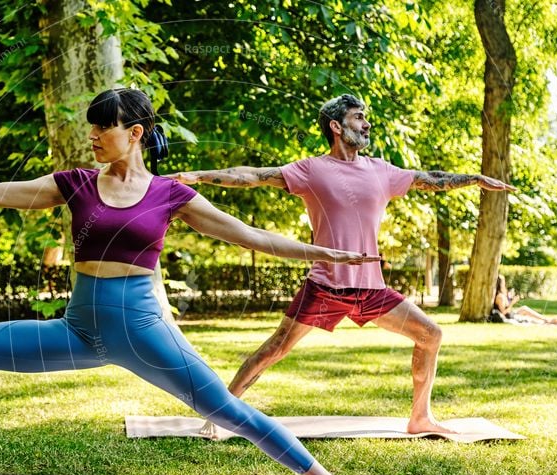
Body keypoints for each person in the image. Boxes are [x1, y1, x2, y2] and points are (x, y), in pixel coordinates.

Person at [0, 88, 382, 475]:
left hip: (145, 334)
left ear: (135, 133)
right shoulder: (75, 184)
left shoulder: (169, 194)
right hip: (78, 332)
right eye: (93, 127)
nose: (95, 136)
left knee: (229, 411)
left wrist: (318, 250)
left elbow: (251, 237)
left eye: (105, 127)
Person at [168, 93, 516, 438]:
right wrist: (199, 176)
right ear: (336, 126)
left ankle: (420, 418)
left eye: (366, 118)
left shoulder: (381, 170)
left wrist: (475, 179)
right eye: (358, 117)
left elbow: (430, 179)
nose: (367, 124)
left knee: (431, 335)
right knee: (274, 349)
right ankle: (220, 413)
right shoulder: (311, 170)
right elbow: (253, 176)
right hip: (325, 286)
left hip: (371, 289)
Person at [492, 274, 557, 325]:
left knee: (524, 309)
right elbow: (503, 313)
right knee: (525, 311)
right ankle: (547, 321)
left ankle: (547, 320)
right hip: (509, 316)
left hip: (511, 313)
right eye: (504, 282)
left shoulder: (501, 295)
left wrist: (510, 298)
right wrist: (512, 302)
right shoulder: (500, 297)